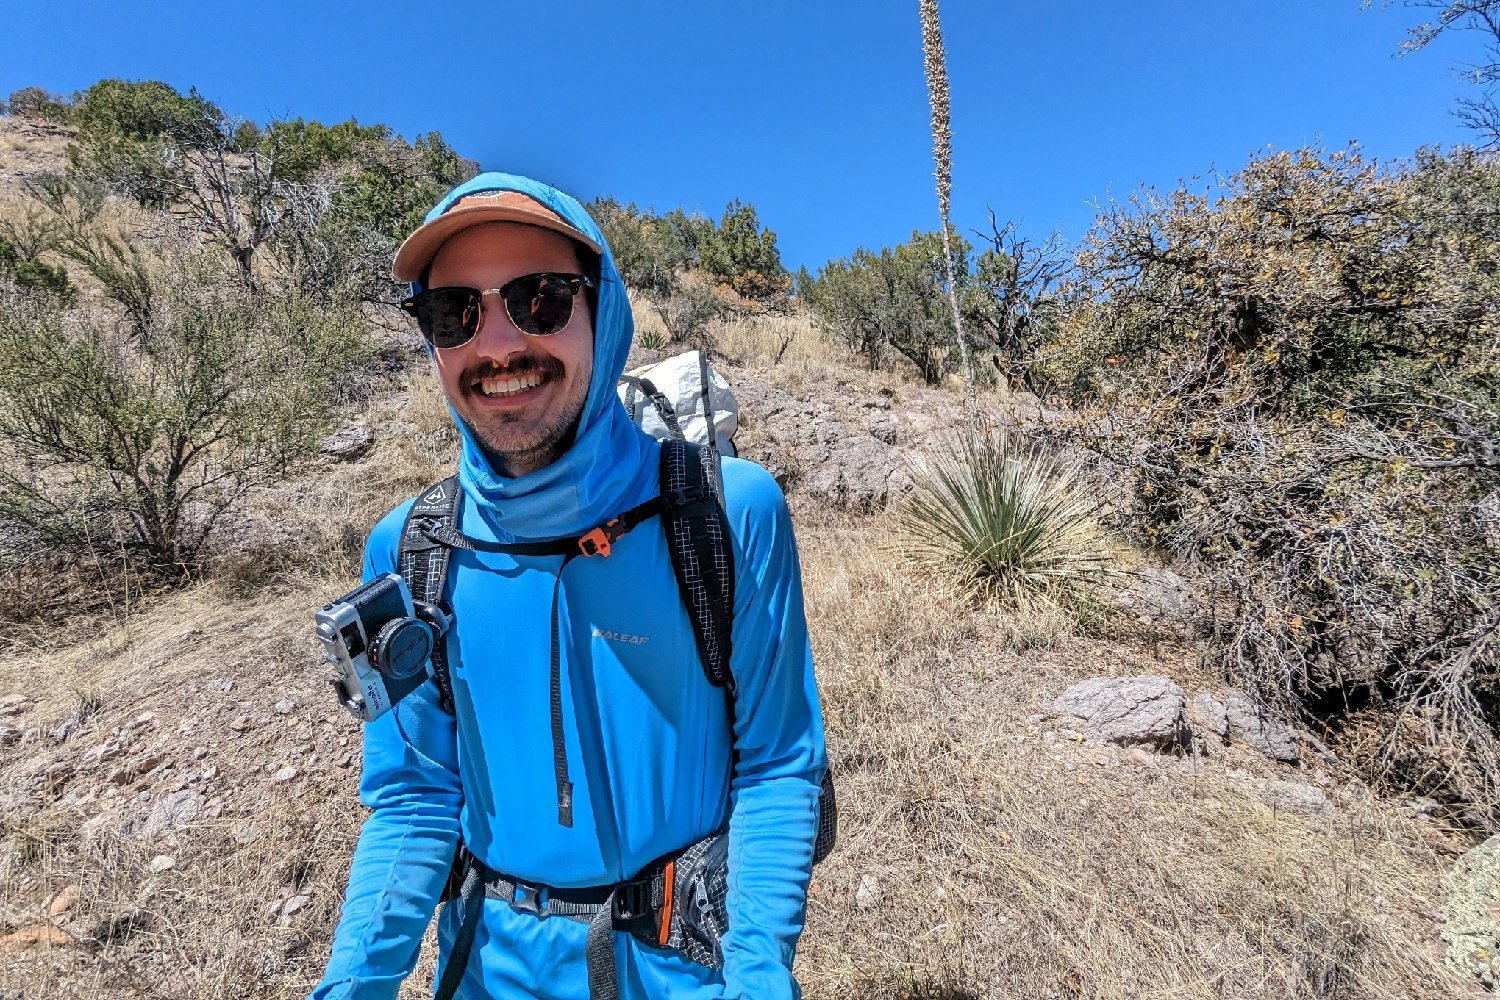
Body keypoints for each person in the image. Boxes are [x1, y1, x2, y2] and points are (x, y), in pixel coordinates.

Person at [309, 173, 827, 1000]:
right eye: (455, 313)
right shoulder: (409, 549)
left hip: (682, 969)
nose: (499, 344)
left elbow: (777, 766)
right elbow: (414, 798)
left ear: (604, 310)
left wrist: (758, 978)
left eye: (540, 299)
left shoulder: (728, 512)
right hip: (487, 970)